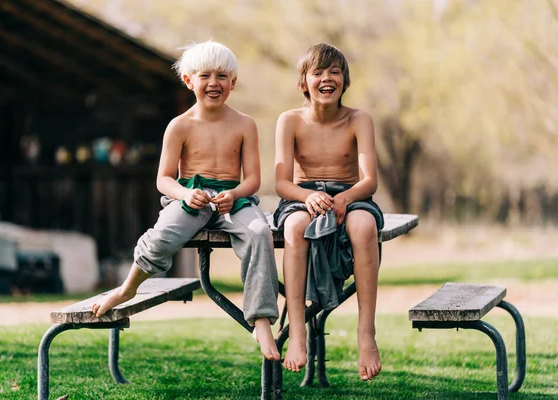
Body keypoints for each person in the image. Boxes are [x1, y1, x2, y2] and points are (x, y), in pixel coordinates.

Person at [91, 40, 280, 361]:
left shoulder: (244, 124)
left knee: (260, 233)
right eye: (205, 76)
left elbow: (253, 180)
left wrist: (234, 194)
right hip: (190, 198)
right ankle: (128, 287)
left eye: (222, 76)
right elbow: (164, 179)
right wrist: (184, 194)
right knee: (162, 236)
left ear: (233, 83)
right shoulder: (179, 126)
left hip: (233, 200)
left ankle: (261, 318)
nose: (214, 83)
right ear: (189, 80)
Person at [273, 43, 384, 380]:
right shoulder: (289, 120)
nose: (326, 78)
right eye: (317, 72)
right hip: (302, 195)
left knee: (364, 227)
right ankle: (298, 332)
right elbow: (281, 183)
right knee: (294, 229)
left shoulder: (358, 119)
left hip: (351, 195)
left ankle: (366, 335)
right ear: (302, 82)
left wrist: (346, 198)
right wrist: (306, 198)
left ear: (344, 80)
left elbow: (370, 181)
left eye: (334, 71)